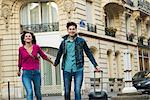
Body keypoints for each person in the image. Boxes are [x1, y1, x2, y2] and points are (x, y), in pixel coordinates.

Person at [53, 22, 100, 100]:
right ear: (67, 30)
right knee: (67, 91)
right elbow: (59, 54)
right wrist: (56, 63)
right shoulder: (64, 42)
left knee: (77, 90)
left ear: (76, 30)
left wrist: (95, 65)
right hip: (66, 69)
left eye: (73, 29)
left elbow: (88, 53)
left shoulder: (81, 41)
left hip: (78, 68)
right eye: (70, 29)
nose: (72, 31)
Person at [17, 30, 53, 100]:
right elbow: (20, 60)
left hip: (36, 73)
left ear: (32, 38)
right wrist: (18, 70)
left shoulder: (36, 47)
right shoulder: (21, 49)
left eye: (29, 36)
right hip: (26, 74)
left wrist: (52, 62)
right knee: (29, 92)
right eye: (26, 36)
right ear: (24, 39)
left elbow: (44, 56)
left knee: (38, 93)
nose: (28, 37)